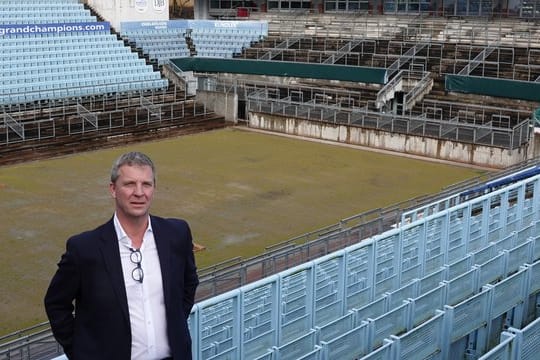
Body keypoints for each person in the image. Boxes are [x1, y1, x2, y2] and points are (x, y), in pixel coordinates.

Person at [44, 151, 199, 360]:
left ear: (154, 188)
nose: (139, 192)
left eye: (146, 184)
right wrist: (82, 353)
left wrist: (176, 321)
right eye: (129, 184)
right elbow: (56, 304)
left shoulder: (177, 233)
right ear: (113, 189)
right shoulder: (84, 249)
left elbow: (189, 283)